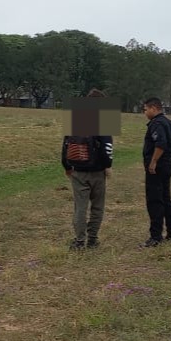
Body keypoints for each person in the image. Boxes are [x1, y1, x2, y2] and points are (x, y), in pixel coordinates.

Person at [61, 89, 114, 249]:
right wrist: (107, 165)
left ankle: (79, 241)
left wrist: (66, 166)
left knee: (80, 208)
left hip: (78, 171)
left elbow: (65, 144)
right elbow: (107, 147)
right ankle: (92, 240)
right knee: (97, 207)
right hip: (97, 171)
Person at [141, 96, 171, 247]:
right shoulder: (169, 122)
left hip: (157, 168)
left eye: (145, 109)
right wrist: (167, 152)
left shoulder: (157, 124)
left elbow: (161, 144)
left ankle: (156, 237)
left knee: (155, 200)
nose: (145, 112)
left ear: (153, 108)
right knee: (166, 198)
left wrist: (154, 161)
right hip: (167, 164)